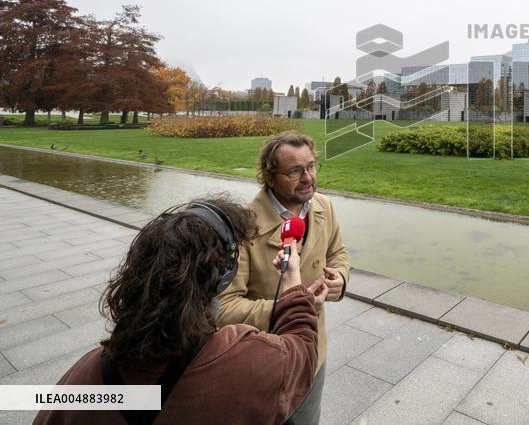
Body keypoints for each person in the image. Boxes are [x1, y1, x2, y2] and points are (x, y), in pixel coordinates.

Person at [35, 195, 319, 424]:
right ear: (222, 278)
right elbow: (303, 346)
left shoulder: (81, 379)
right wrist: (292, 278)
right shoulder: (254, 362)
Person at [217, 130, 350, 425]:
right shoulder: (243, 226)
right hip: (265, 359)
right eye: (295, 171)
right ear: (270, 175)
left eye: (312, 166)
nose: (308, 178)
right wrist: (292, 308)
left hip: (314, 351)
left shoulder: (324, 207)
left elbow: (338, 253)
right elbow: (224, 309)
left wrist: (339, 279)